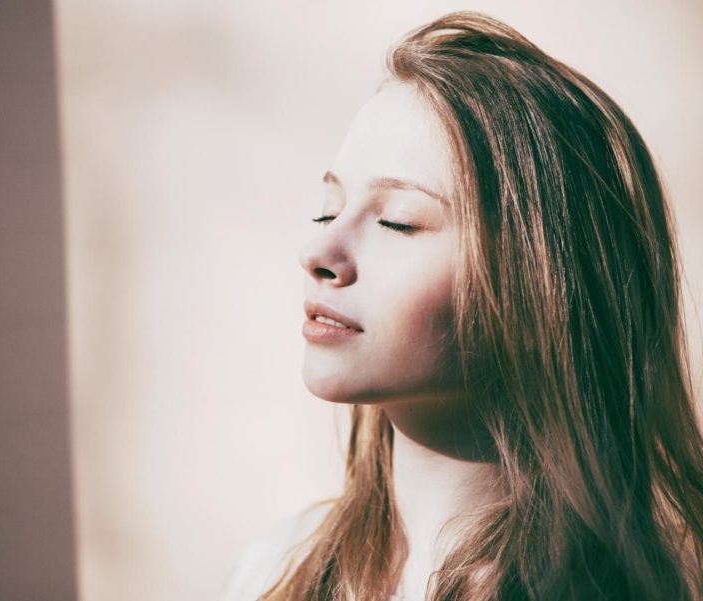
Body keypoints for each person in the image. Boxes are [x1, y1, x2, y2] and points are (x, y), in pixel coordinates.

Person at [222, 11, 703, 601]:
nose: (318, 250)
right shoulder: (271, 571)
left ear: (540, 283)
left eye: (398, 222)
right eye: (328, 209)